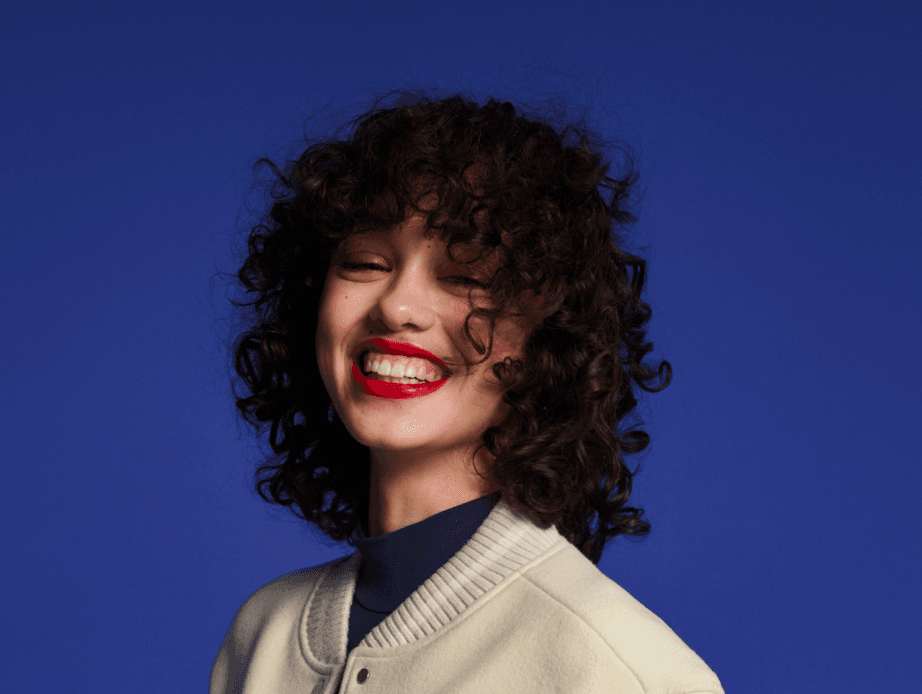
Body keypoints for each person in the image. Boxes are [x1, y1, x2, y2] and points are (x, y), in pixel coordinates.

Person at [211, 91, 724, 693]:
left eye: (465, 275)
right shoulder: (264, 631)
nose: (398, 306)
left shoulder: (616, 667)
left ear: (551, 338)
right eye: (368, 262)